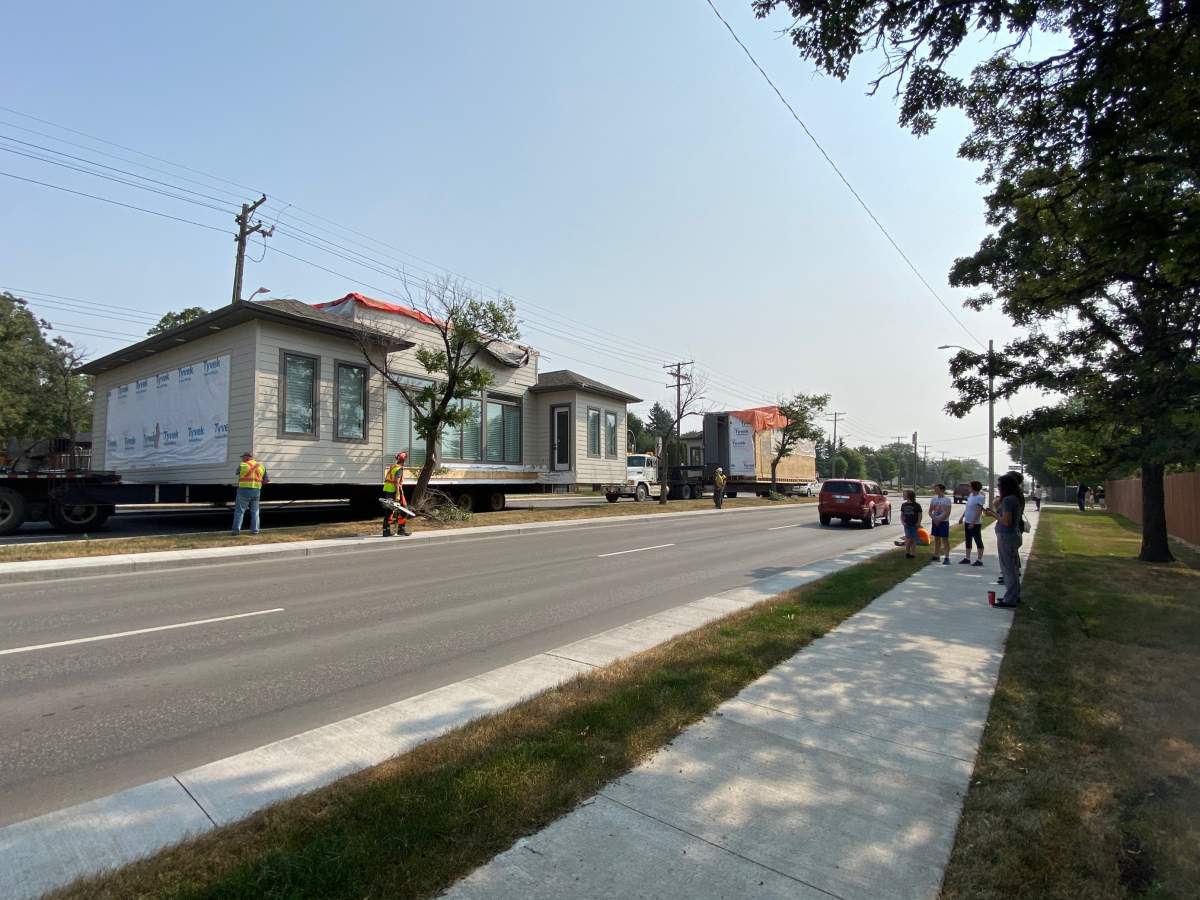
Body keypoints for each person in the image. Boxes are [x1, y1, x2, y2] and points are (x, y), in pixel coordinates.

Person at [984, 472, 1023, 608]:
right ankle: (1014, 596)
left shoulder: (1008, 500)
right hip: (1012, 535)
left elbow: (1006, 522)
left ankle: (1010, 599)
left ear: (1005, 486)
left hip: (1007, 536)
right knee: (1011, 568)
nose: (998, 487)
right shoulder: (1013, 498)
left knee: (1008, 569)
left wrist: (993, 514)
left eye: (999, 485)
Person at [231, 451, 268, 536]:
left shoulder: (242, 465)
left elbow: (237, 472)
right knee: (255, 512)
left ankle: (236, 532)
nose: (242, 459)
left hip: (243, 491)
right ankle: (255, 531)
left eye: (243, 457)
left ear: (247, 457)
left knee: (239, 511)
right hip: (256, 491)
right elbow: (266, 480)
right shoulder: (262, 466)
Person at [382, 451, 411, 537]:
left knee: (389, 510)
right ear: (404, 460)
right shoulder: (399, 469)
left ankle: (386, 531)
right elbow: (396, 482)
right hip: (395, 490)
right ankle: (401, 529)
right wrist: (398, 494)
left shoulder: (393, 467)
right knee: (404, 509)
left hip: (388, 490)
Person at [958, 480, 986, 566]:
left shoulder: (980, 497)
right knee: (968, 540)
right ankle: (967, 558)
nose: (968, 488)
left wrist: (973, 523)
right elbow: (967, 508)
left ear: (974, 487)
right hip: (967, 521)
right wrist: (962, 517)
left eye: (969, 486)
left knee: (978, 540)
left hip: (975, 523)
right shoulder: (970, 496)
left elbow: (978, 511)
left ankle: (979, 560)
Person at [928, 483, 952, 564]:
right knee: (937, 539)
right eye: (934, 489)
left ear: (941, 490)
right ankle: (936, 555)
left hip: (944, 522)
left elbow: (947, 513)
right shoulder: (934, 499)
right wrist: (934, 519)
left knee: (945, 539)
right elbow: (930, 511)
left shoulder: (947, 500)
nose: (935, 490)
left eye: (936, 489)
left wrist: (939, 520)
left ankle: (947, 557)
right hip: (935, 521)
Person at [900, 489, 922, 559]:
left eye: (904, 495)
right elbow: (902, 515)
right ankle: (907, 553)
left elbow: (920, 515)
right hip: (907, 524)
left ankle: (913, 553)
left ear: (909, 496)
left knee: (913, 539)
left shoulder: (917, 505)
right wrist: (903, 522)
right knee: (908, 538)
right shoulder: (904, 505)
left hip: (914, 524)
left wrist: (918, 522)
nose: (903, 496)